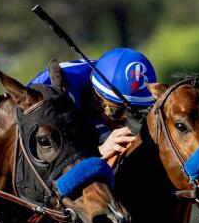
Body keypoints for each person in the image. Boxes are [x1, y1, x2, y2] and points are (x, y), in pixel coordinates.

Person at [28, 47, 157, 165]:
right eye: (116, 112)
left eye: (137, 112)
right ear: (96, 97)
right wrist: (99, 152)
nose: (126, 120)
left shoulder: (107, 78)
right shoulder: (61, 96)